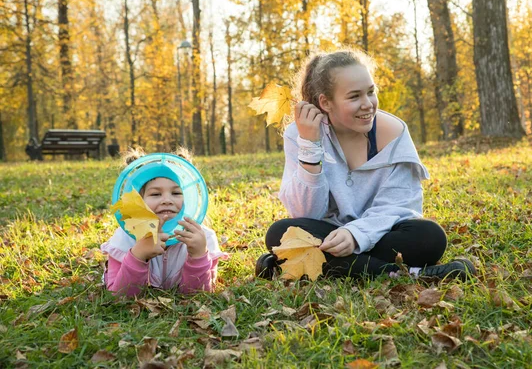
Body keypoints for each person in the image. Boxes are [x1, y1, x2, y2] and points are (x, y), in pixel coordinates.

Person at [255, 49, 475, 280]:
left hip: (382, 232)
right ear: (326, 102)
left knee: (430, 236)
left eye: (371, 92)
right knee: (280, 234)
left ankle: (288, 267)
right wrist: (310, 146)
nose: (368, 104)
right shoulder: (301, 133)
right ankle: (411, 275)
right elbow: (305, 213)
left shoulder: (393, 133)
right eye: (354, 96)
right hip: (328, 237)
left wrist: (356, 234)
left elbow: (400, 206)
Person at [101, 147, 224, 296]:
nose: (167, 200)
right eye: (156, 194)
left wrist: (198, 256)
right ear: (139, 200)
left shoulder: (203, 238)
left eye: (176, 193)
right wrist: (138, 255)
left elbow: (199, 295)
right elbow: (119, 297)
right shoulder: (125, 238)